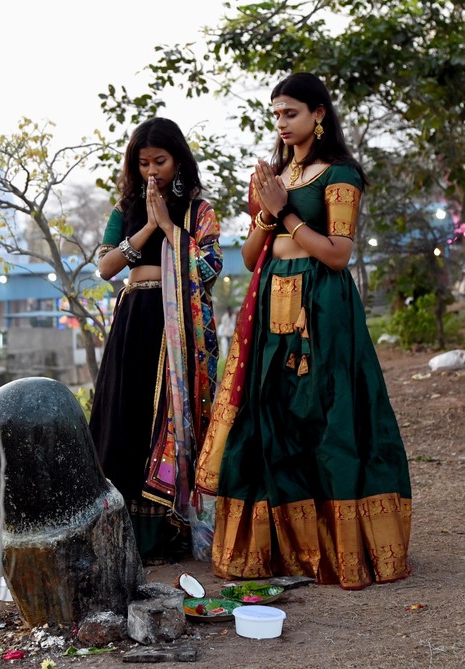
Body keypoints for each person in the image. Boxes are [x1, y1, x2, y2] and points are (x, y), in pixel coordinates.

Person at [194, 72, 412, 589]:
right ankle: (286, 550)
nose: (282, 123)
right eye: (276, 114)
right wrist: (268, 214)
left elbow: (338, 254)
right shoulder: (273, 178)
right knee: (272, 418)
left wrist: (286, 213)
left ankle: (343, 553)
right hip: (272, 303)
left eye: (290, 112)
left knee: (327, 417)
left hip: (323, 306)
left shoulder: (339, 174)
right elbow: (249, 258)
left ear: (318, 114)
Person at [89, 117, 223, 563]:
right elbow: (106, 267)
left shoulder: (198, 211)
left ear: (179, 160)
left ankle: (168, 535)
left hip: (177, 327)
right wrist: (147, 226)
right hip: (134, 320)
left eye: (160, 162)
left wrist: (169, 225)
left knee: (170, 417)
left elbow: (208, 269)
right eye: (144, 163)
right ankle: (121, 536)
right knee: (125, 418)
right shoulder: (123, 209)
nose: (152, 171)